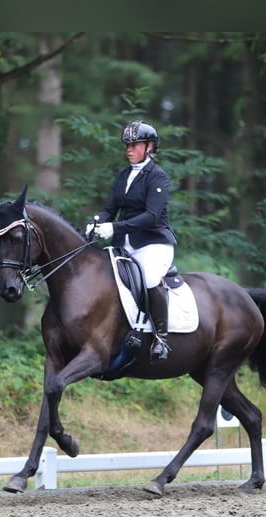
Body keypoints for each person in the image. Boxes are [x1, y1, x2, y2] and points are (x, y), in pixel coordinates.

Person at [86, 119, 177, 363]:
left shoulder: (157, 177)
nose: (129, 149)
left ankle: (161, 339)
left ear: (149, 147)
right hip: (125, 244)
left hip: (154, 243)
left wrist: (114, 227)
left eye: (134, 145)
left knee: (148, 278)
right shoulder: (123, 175)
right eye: (127, 145)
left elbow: (151, 216)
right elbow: (109, 208)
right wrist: (97, 224)